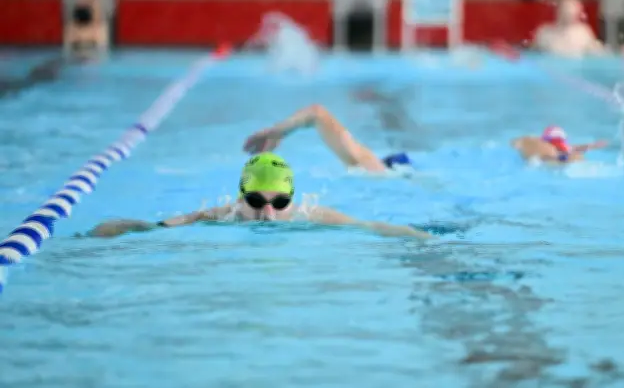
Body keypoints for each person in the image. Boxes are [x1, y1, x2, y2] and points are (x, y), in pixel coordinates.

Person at [85, 152, 431, 240]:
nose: (268, 213)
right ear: (240, 200)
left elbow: (369, 227)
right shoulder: (223, 215)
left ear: (291, 201)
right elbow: (159, 226)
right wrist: (123, 228)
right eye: (255, 202)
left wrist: (420, 237)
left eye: (279, 203)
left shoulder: (310, 215)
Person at [243, 104, 412, 173]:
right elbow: (317, 114)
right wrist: (277, 132)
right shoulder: (377, 170)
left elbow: (317, 113)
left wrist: (278, 131)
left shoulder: (372, 167)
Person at [530, 0, 607, 58]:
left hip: (574, 70)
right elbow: (531, 55)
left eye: (571, 13)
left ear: (577, 15)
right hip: (551, 70)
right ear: (558, 12)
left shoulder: (583, 33)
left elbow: (598, 53)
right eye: (565, 12)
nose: (568, 16)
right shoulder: (545, 32)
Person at [511, 126, 608, 164]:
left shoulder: (535, 143)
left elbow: (514, 143)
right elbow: (573, 148)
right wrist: (592, 146)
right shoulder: (560, 149)